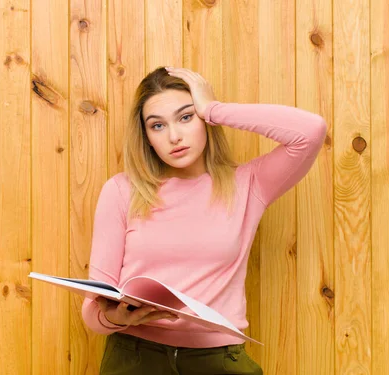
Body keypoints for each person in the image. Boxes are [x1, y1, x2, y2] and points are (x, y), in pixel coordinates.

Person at [81, 66, 327, 374]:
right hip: (134, 356)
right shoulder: (121, 191)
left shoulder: (249, 185)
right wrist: (118, 318)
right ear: (146, 137)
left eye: (186, 117)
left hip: (218, 360)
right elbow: (93, 309)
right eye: (157, 126)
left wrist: (214, 108)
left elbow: (311, 131)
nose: (174, 136)